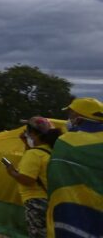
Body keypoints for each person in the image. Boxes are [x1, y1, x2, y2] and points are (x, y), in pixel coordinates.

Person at [46, 97, 103, 238]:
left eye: (70, 115)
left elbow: (54, 176)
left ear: (79, 118)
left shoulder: (65, 142)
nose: (68, 119)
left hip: (72, 213)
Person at [4, 116, 61, 238]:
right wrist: (26, 144)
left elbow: (28, 180)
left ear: (33, 133)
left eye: (27, 131)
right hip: (49, 200)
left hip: (36, 201)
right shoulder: (49, 151)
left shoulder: (34, 154)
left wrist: (12, 172)